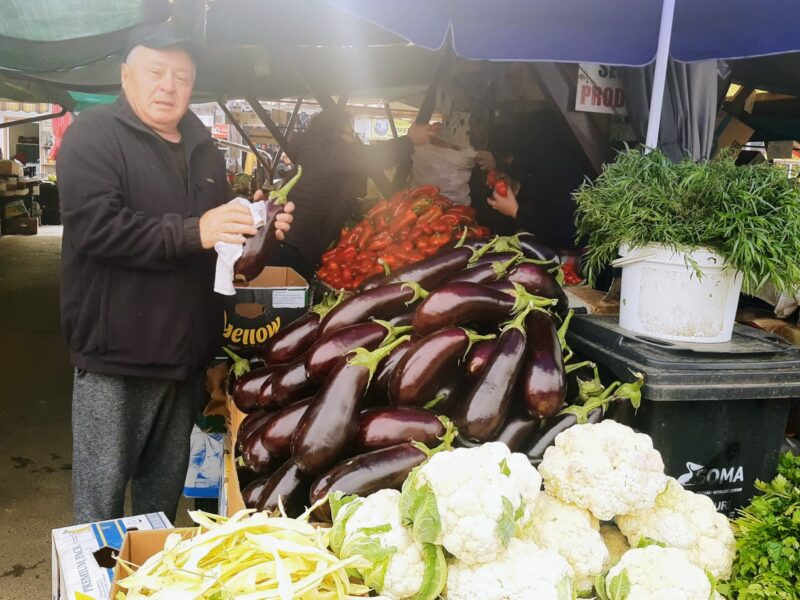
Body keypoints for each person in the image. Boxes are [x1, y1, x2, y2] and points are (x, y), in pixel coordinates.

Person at [57, 24, 294, 524]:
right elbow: (98, 229)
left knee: (159, 512)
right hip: (115, 358)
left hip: (183, 359)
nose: (168, 85)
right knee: (99, 509)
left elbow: (215, 243)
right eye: (155, 71)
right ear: (126, 76)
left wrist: (257, 228)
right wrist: (197, 231)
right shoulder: (94, 136)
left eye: (182, 76)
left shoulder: (203, 147)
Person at [272, 108, 430, 279]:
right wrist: (410, 140)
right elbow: (374, 156)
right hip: (295, 246)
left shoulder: (315, 150)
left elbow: (331, 192)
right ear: (333, 133)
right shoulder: (328, 150)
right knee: (289, 297)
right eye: (349, 132)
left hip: (291, 241)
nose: (353, 139)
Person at [477, 112, 592, 251]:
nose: (510, 163)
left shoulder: (566, 171)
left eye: (511, 159)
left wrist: (517, 213)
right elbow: (543, 194)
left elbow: (569, 232)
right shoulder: (548, 164)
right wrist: (517, 188)